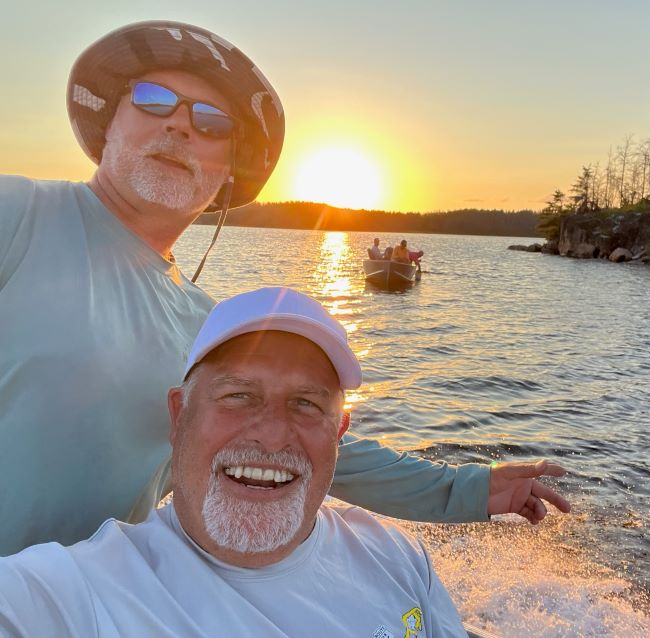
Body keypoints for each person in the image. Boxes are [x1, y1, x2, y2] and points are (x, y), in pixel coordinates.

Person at [0, 20, 569, 556]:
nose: (178, 124)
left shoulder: (205, 323)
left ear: (228, 171)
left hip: (74, 608)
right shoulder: (19, 213)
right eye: (152, 99)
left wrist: (465, 490)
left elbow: (295, 436)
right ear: (110, 126)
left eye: (211, 121)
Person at [0, 287, 468, 636]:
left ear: (339, 432)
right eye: (238, 395)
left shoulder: (396, 557)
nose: (271, 433)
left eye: (306, 403)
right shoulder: (77, 593)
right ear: (179, 415)